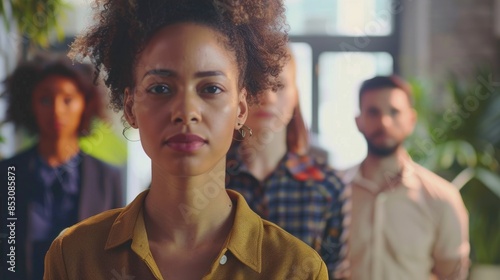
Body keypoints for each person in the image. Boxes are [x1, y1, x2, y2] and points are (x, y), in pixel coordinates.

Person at [43, 0, 328, 279]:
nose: (186, 112)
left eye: (211, 88)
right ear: (130, 108)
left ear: (241, 109)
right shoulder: (75, 257)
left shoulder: (295, 269)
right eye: (161, 88)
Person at [226, 47, 350, 279]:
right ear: (238, 96)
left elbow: (332, 272)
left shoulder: (328, 186)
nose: (268, 98)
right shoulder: (208, 180)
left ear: (295, 96)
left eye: (279, 86)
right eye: (256, 86)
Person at [0, 55, 124, 280]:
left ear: (85, 103)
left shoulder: (107, 179)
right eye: (45, 100)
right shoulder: (7, 174)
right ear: (30, 104)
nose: (57, 110)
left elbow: (117, 255)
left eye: (68, 99)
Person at [341, 75, 470, 280]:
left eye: (394, 112)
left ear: (411, 120)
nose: (384, 122)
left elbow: (452, 275)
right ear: (359, 121)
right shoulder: (332, 191)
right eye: (373, 112)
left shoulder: (443, 198)